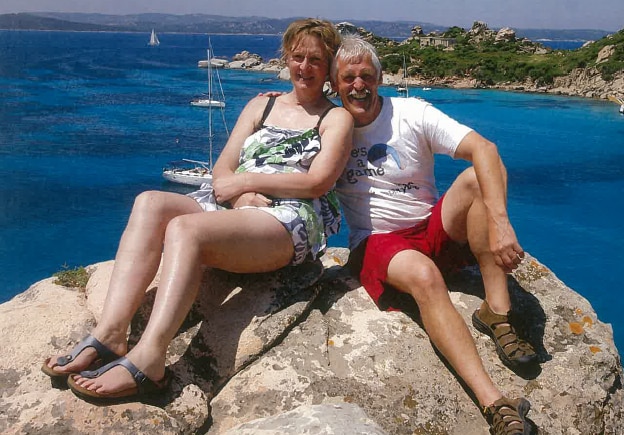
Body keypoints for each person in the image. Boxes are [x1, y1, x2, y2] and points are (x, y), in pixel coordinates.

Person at [41, 18, 353, 404]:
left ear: (329, 67)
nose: (304, 68)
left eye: (316, 60)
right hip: (234, 204)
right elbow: (222, 167)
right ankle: (111, 332)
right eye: (298, 57)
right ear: (286, 58)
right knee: (149, 203)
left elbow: (317, 183)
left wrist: (244, 184)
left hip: (288, 219)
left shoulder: (335, 117)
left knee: (187, 230)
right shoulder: (262, 105)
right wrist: (236, 193)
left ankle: (150, 358)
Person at [330, 35, 537, 435]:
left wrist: (501, 225)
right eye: (348, 78)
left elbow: (485, 149)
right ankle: (494, 404)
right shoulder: (329, 127)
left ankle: (496, 309)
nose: (358, 85)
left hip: (430, 228)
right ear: (336, 84)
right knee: (425, 277)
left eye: (366, 76)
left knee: (481, 173)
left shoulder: (410, 112)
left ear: (380, 77)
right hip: (378, 241)